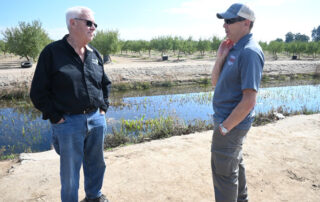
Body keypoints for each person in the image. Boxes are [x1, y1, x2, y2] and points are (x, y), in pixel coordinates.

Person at [30, 6, 111, 202]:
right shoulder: (52, 53)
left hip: (96, 119)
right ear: (72, 23)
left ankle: (94, 197)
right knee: (70, 173)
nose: (94, 28)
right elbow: (38, 92)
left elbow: (104, 83)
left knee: (96, 164)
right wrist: (56, 117)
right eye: (89, 23)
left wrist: (103, 107)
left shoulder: (94, 54)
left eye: (95, 24)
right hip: (68, 124)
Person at [211, 3, 264, 202]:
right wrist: (220, 58)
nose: (224, 26)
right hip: (227, 122)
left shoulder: (249, 52)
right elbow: (215, 82)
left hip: (230, 125)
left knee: (224, 175)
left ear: (246, 23)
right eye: (224, 21)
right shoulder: (233, 48)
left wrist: (225, 127)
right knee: (234, 164)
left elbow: (249, 100)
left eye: (229, 21)